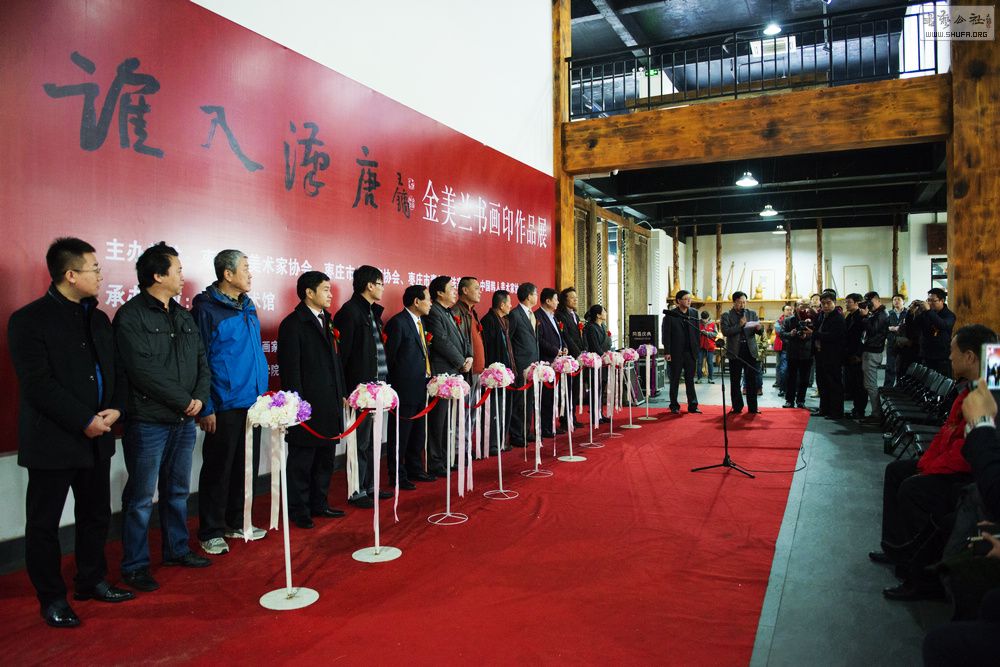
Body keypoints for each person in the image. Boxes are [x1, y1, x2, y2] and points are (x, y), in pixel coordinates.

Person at [8, 237, 134, 628]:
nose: (101, 275)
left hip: (99, 437)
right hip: (54, 441)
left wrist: (117, 408)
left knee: (95, 515)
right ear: (70, 275)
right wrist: (83, 419)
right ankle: (51, 598)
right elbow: (38, 385)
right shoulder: (28, 321)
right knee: (44, 524)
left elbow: (115, 370)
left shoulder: (98, 319)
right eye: (94, 269)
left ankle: (91, 580)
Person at [871, 324, 998, 601]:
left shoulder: (989, 394)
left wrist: (928, 470)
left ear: (969, 357)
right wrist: (926, 463)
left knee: (914, 490)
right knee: (897, 471)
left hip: (969, 477)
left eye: (953, 351)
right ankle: (895, 547)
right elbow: (947, 433)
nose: (949, 357)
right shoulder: (969, 388)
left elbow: (968, 451)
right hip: (953, 465)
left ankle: (921, 577)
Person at [114, 242, 212, 592]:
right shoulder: (131, 316)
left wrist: (200, 398)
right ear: (157, 275)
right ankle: (135, 565)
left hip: (184, 420)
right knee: (141, 497)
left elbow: (201, 361)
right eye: (177, 270)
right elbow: (142, 371)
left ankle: (177, 549)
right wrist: (185, 400)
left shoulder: (183, 315)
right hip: (149, 421)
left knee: (178, 490)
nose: (183, 275)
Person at [193, 249, 269, 554]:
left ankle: (236, 521)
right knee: (218, 469)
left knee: (244, 466)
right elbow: (200, 360)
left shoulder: (248, 306)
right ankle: (210, 530)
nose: (250, 274)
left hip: (252, 403)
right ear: (227, 273)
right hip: (223, 404)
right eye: (245, 268)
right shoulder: (207, 310)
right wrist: (206, 406)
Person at [277, 271, 349, 529]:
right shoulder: (293, 324)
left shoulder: (327, 320)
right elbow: (290, 370)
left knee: (325, 458)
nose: (331, 294)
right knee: (302, 460)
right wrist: (297, 405)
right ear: (309, 292)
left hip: (329, 401)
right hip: (307, 405)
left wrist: (342, 391)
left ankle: (320, 503)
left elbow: (336, 361)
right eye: (325, 289)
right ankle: (299, 510)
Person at [333, 265, 391, 507]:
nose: (382, 289)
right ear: (369, 285)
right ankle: (357, 491)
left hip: (377, 389)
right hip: (360, 391)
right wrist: (346, 390)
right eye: (380, 284)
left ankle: (371, 485)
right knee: (360, 442)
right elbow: (343, 356)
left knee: (373, 440)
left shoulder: (371, 312)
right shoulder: (350, 313)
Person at [384, 284, 434, 485]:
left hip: (422, 385)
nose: (430, 303)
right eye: (428, 299)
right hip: (404, 389)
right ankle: (397, 475)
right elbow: (390, 358)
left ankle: (415, 468)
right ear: (416, 301)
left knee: (417, 433)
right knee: (400, 435)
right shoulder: (398, 323)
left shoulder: (421, 322)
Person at [424, 275, 472, 471]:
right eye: (451, 288)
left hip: (455, 372)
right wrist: (461, 362)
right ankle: (436, 461)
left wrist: (469, 356)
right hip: (442, 373)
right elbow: (441, 341)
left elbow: (463, 338)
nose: (455, 291)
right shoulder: (433, 313)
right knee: (438, 421)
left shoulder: (451, 312)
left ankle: (447, 457)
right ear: (439, 293)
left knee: (449, 421)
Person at [481, 289, 516, 454]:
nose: (511, 305)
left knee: (505, 409)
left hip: (507, 372)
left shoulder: (506, 321)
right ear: (502, 305)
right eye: (509, 302)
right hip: (494, 374)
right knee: (494, 410)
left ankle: (502, 440)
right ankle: (492, 443)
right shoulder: (488, 321)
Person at [454, 277, 486, 457]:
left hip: (478, 370)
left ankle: (466, 447)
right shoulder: (456, 311)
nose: (480, 291)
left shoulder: (472, 312)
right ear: (465, 290)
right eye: (476, 288)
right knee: (463, 413)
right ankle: (459, 451)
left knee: (472, 412)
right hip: (467, 371)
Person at [720, 291, 763, 415]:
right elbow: (725, 331)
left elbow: (759, 331)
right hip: (735, 351)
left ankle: (753, 408)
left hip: (750, 351)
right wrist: (739, 325)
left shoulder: (752, 313)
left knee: (751, 381)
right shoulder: (726, 315)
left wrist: (759, 329)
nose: (743, 305)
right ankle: (737, 407)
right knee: (735, 381)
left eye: (744, 302)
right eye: (740, 302)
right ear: (734, 302)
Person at [508, 283, 540, 447]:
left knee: (529, 400)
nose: (537, 297)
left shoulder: (531, 314)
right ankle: (516, 435)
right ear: (528, 296)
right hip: (520, 365)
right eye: (535, 294)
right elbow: (509, 340)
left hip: (533, 364)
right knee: (519, 401)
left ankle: (526, 431)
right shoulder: (515, 314)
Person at [661, 290, 701, 414]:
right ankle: (674, 405)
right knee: (675, 380)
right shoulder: (670, 315)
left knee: (690, 380)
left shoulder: (694, 313)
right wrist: (667, 352)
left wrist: (697, 349)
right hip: (675, 353)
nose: (689, 301)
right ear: (678, 301)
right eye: (686, 298)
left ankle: (693, 405)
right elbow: (666, 335)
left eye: (690, 298)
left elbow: (697, 332)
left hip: (690, 352)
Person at [536, 288, 568, 436]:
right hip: (546, 362)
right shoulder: (538, 316)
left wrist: (564, 347)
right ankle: (544, 428)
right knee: (545, 398)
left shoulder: (553, 317)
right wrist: (555, 350)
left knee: (553, 397)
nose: (558, 302)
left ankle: (551, 426)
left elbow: (560, 336)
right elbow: (539, 339)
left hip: (556, 362)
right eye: (555, 299)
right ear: (548, 301)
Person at [810, 292, 846, 419]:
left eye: (828, 303)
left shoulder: (838, 318)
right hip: (820, 354)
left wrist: (814, 334)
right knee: (822, 383)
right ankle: (824, 409)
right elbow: (816, 330)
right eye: (823, 303)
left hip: (833, 355)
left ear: (834, 303)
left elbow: (834, 336)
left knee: (834, 384)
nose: (825, 306)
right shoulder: (820, 315)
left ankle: (836, 412)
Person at [554, 287, 584, 428]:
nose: (575, 300)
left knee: (575, 390)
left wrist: (583, 352)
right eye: (572, 297)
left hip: (578, 358)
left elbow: (579, 336)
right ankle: (565, 419)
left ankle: (572, 416)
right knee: (566, 389)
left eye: (576, 297)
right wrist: (578, 353)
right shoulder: (560, 315)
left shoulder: (575, 316)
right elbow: (566, 336)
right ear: (564, 300)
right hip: (569, 358)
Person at [858, 291, 889, 423]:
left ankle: (876, 414)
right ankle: (876, 413)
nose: (868, 304)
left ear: (877, 300)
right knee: (869, 384)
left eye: (869, 302)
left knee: (871, 385)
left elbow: (872, 331)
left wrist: (865, 317)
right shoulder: (876, 313)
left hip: (873, 352)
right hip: (871, 351)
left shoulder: (882, 314)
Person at [779, 300, 815, 409]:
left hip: (807, 353)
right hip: (792, 352)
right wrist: (791, 334)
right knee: (791, 378)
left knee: (804, 379)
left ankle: (801, 401)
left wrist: (807, 336)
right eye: (800, 305)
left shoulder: (812, 320)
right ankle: (789, 401)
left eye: (805, 305)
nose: (803, 308)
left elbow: (816, 334)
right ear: (795, 307)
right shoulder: (789, 320)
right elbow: (782, 334)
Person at [918, 288, 957, 377]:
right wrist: (912, 312)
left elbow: (942, 325)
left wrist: (929, 311)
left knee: (941, 382)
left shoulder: (949, 315)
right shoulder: (926, 313)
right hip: (926, 355)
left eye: (933, 301)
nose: (930, 303)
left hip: (941, 357)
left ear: (942, 301)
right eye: (928, 300)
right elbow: (914, 326)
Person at [843, 293, 867, 419]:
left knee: (859, 384)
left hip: (857, 354)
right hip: (849, 353)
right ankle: (856, 408)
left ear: (857, 303)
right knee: (852, 383)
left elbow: (863, 337)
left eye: (849, 302)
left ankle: (860, 410)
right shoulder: (850, 316)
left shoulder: (861, 316)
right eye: (846, 302)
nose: (846, 304)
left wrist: (859, 354)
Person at [884, 293, 905, 388]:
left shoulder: (908, 313)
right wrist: (890, 328)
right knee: (890, 366)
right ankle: (888, 387)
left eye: (898, 299)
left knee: (902, 366)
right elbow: (883, 327)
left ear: (903, 301)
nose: (896, 301)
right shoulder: (888, 313)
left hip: (903, 343)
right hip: (892, 342)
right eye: (894, 300)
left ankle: (901, 386)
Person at [696, 311, 717, 384]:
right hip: (700, 346)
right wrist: (700, 333)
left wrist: (707, 333)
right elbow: (694, 333)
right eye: (703, 319)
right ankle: (699, 378)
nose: (704, 321)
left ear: (708, 318)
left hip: (710, 346)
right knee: (699, 362)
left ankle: (710, 378)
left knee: (710, 363)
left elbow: (715, 334)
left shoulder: (713, 324)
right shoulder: (698, 323)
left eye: (706, 319)